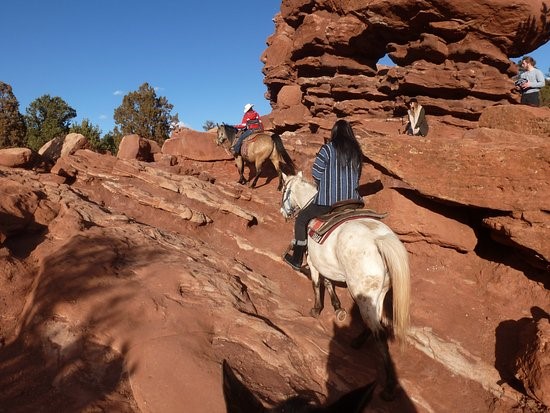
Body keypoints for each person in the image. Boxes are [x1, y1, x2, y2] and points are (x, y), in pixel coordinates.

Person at [284, 119, 363, 270]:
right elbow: (358, 176)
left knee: (301, 219)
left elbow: (316, 173)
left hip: (328, 202)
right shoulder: (356, 151)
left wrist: (326, 185)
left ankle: (297, 259)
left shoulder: (327, 149)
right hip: (353, 201)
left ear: (334, 132)